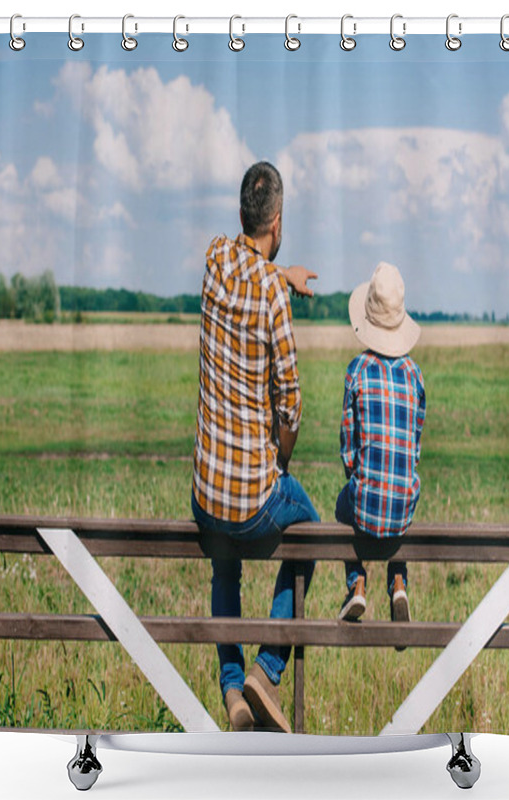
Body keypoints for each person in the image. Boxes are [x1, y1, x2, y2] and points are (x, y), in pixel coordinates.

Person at [192, 161, 318, 733]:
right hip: (252, 503)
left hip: (205, 497)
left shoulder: (216, 258)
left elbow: (251, 263)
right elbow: (290, 402)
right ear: (279, 221)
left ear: (243, 214)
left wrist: (279, 270)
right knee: (312, 528)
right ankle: (266, 671)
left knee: (225, 567)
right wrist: (280, 461)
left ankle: (230, 690)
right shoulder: (274, 297)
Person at [336, 262, 426, 634]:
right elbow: (414, 450)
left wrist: (360, 480)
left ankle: (356, 584)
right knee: (398, 498)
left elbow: (347, 450)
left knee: (345, 504)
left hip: (364, 505)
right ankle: (398, 583)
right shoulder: (415, 374)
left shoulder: (357, 370)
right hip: (403, 507)